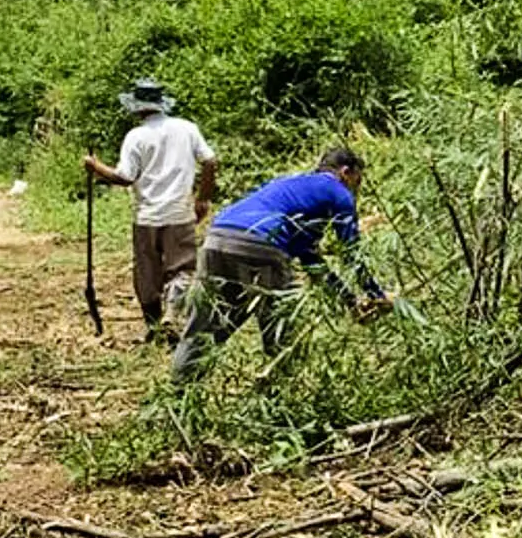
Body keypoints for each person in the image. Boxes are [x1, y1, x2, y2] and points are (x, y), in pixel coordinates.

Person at [170, 145, 387, 383]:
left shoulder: (290, 187)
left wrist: (350, 301)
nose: (357, 189)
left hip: (217, 239)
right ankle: (282, 393)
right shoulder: (338, 192)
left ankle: (178, 392)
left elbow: (310, 260)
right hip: (260, 245)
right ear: (346, 172)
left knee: (205, 324)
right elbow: (352, 253)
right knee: (282, 330)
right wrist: (376, 294)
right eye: (358, 181)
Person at [82, 78, 218, 343]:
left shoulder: (136, 136)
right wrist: (203, 199)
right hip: (179, 212)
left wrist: (95, 166)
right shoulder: (187, 128)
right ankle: (173, 314)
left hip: (147, 216)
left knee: (147, 271)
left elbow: (124, 177)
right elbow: (210, 161)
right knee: (183, 269)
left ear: (137, 108)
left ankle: (155, 326)